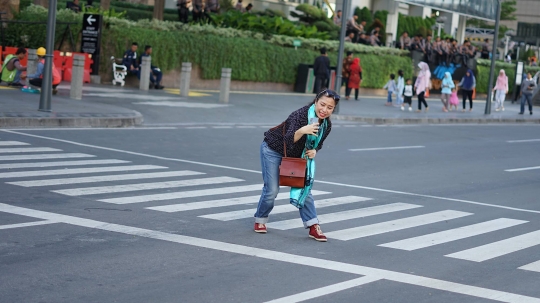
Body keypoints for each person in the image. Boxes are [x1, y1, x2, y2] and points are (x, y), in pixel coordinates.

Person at [254, 89, 339, 242]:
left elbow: (318, 144)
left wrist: (314, 151)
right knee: (271, 190)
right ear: (316, 101)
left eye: (329, 107)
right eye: (322, 104)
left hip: (295, 157)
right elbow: (287, 139)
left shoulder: (326, 126)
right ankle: (260, 219)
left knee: (304, 188)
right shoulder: (300, 115)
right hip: (273, 150)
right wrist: (302, 130)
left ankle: (313, 226)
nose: (324, 110)